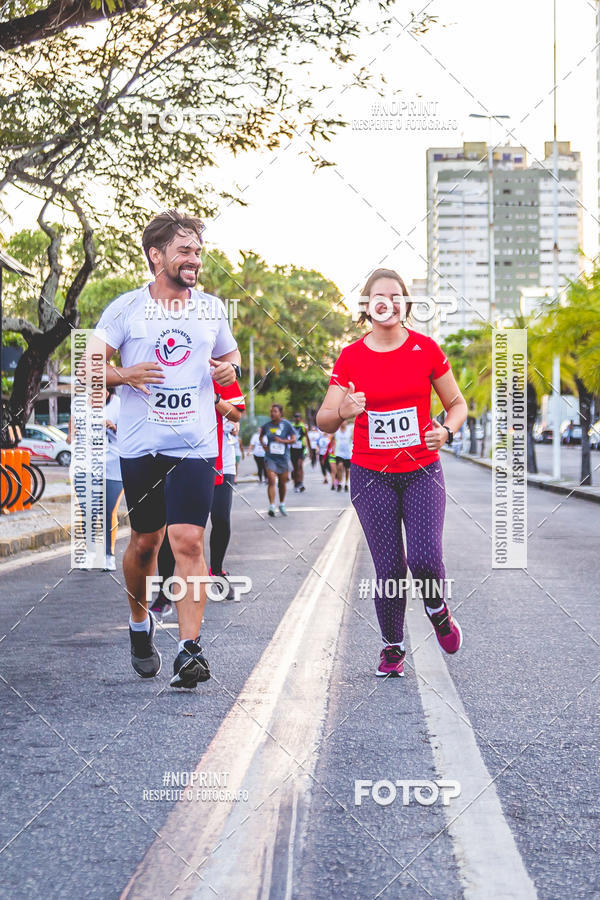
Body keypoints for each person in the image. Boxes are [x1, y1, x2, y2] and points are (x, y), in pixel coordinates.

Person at [91, 209, 241, 689]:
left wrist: (227, 371)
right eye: (184, 251)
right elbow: (86, 366)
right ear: (156, 256)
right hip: (141, 447)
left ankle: (189, 649)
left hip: (195, 444)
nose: (194, 259)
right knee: (145, 543)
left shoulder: (211, 308)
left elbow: (229, 355)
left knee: (189, 542)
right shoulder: (125, 309)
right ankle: (140, 627)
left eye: (198, 251)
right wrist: (124, 375)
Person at [317, 267, 468, 678]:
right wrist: (344, 411)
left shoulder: (426, 348)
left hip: (422, 469)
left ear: (405, 304)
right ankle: (392, 646)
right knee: (388, 568)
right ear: (367, 306)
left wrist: (446, 430)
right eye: (378, 297)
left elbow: (457, 404)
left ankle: (437, 608)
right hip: (371, 474)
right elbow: (324, 419)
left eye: (396, 296)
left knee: (422, 557)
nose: (388, 303)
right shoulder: (351, 357)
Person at [152, 378, 246, 612]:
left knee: (221, 519)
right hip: (180, 458)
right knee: (172, 526)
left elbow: (236, 415)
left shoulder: (221, 373)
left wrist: (214, 399)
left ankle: (216, 570)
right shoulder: (171, 372)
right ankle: (165, 591)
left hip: (221, 459)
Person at [67, 386, 124, 571]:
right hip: (85, 464)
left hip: (112, 464)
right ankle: (90, 553)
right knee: (88, 510)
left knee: (108, 511)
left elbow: (129, 434)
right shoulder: (78, 404)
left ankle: (109, 555)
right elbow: (71, 430)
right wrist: (72, 435)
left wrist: (113, 427)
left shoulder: (119, 405)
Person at [260, 404, 296, 516]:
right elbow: (261, 436)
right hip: (270, 457)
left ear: (280, 413)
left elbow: (294, 439)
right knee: (271, 479)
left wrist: (282, 441)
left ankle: (282, 504)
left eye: (275, 411)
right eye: (271, 411)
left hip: (283, 458)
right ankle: (271, 506)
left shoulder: (287, 425)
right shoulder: (267, 426)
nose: (272, 413)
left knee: (282, 483)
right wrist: (264, 445)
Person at [290, 411, 311, 492]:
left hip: (301, 449)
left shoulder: (303, 427)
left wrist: (310, 450)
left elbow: (307, 437)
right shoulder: (291, 426)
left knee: (299, 465)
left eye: (298, 417)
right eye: (295, 417)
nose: (297, 418)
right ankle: (295, 483)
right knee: (295, 468)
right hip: (293, 449)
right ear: (293, 418)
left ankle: (300, 482)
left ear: (301, 419)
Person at [334, 420, 353, 492]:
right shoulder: (337, 430)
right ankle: (340, 482)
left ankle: (346, 483)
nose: (343, 423)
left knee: (347, 469)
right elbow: (332, 439)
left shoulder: (350, 430)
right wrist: (332, 449)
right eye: (341, 421)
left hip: (348, 453)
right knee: (339, 466)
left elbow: (354, 439)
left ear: (346, 422)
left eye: (344, 421)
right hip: (339, 453)